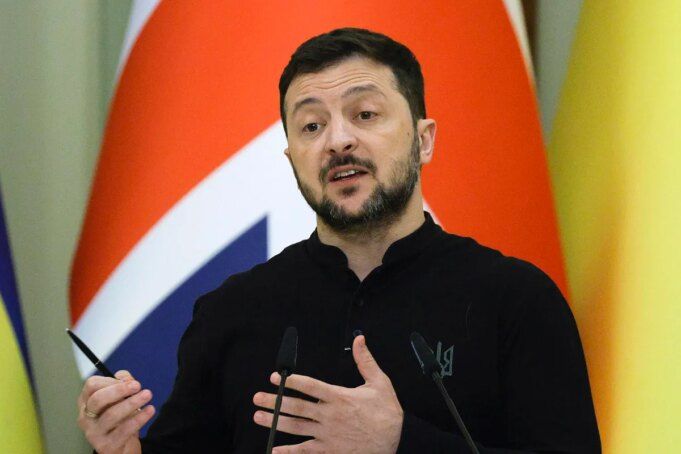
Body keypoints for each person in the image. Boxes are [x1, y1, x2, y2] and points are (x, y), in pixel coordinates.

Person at [76, 28, 601, 453]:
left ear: (423, 141)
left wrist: (400, 442)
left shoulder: (515, 299)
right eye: (311, 126)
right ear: (292, 160)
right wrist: (121, 450)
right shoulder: (231, 312)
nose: (338, 141)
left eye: (365, 114)